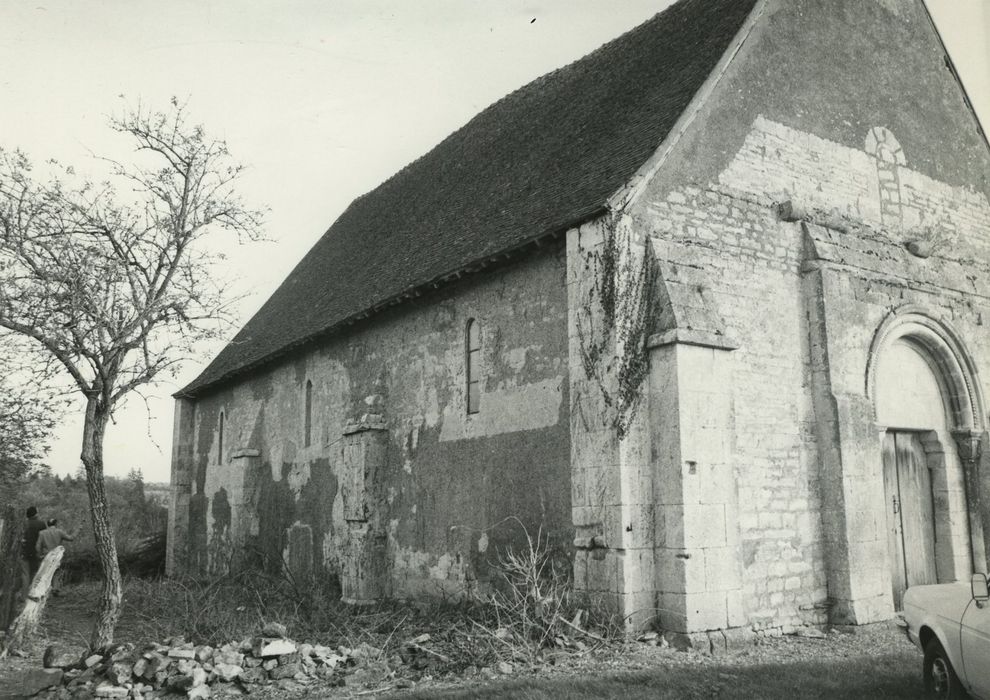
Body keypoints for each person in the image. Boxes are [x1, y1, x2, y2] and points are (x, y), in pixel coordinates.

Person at [37, 518, 75, 596]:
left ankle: (43, 591)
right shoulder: (59, 532)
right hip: (56, 556)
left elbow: (38, 546)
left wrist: (39, 555)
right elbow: (71, 538)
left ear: (47, 524)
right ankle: (55, 589)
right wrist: (78, 530)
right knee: (56, 573)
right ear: (56, 524)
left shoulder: (42, 533)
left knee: (45, 573)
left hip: (46, 556)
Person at [20, 506, 46, 596]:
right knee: (36, 573)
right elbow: (43, 539)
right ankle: (35, 594)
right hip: (37, 553)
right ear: (35, 514)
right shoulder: (42, 524)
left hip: (24, 552)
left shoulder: (23, 524)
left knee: (25, 575)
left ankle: (24, 596)